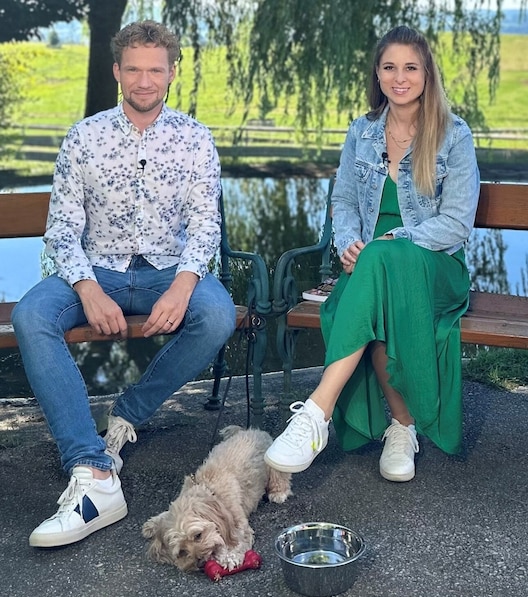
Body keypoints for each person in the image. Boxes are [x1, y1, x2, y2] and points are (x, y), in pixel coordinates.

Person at [11, 20, 236, 548]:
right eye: (132, 68)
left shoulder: (195, 140)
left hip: (165, 270)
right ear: (117, 71)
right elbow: (62, 230)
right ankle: (92, 472)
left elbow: (206, 227)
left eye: (154, 70)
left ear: (171, 74)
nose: (143, 80)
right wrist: (88, 287)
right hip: (98, 267)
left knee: (218, 314)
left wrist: (183, 286)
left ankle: (126, 415)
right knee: (31, 315)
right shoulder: (83, 138)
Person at [265, 25, 480, 482]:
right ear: (377, 75)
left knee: (380, 265)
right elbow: (342, 201)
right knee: (375, 285)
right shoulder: (362, 133)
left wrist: (391, 240)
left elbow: (457, 224)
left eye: (410, 67)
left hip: (434, 265)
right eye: (389, 67)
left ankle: (316, 414)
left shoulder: (454, 135)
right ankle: (403, 428)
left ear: (427, 73)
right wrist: (347, 244)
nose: (399, 77)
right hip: (366, 266)